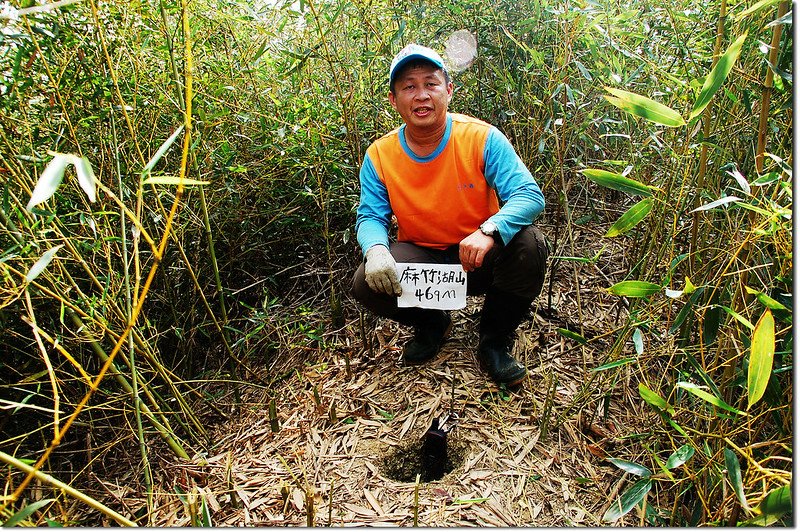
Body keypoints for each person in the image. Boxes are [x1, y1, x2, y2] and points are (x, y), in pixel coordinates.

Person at [351, 43, 548, 387]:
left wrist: (490, 230)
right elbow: (370, 215)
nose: (421, 95)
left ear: (449, 91)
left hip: (479, 255)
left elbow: (529, 195)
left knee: (529, 244)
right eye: (409, 87)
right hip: (423, 257)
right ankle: (432, 323)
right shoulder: (380, 154)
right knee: (365, 282)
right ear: (393, 100)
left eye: (431, 83)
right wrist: (377, 250)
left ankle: (494, 340)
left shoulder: (481, 137)